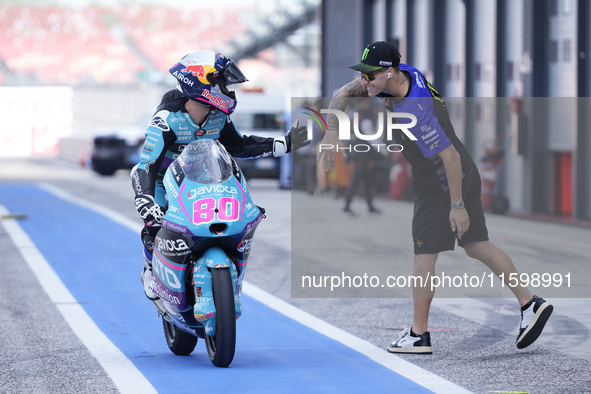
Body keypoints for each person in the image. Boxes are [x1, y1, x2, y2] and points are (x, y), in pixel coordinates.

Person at [320, 41, 553, 354]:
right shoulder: (403, 75)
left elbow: (450, 157)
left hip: (444, 182)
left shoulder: (415, 109)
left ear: (389, 72)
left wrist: (457, 205)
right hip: (459, 174)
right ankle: (530, 304)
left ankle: (419, 335)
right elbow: (342, 94)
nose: (365, 81)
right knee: (476, 246)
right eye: (363, 75)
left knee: (424, 255)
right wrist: (332, 133)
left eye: (370, 75)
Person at [131, 50, 309, 306]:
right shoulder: (167, 119)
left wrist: (284, 144)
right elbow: (144, 166)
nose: (228, 90)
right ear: (202, 84)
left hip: (201, 181)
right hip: (162, 183)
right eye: (223, 84)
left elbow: (238, 146)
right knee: (155, 226)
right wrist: (145, 201)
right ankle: (150, 268)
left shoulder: (218, 116)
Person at [342, 98, 383, 216]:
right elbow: (372, 138)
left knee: (368, 180)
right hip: (361, 155)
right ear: (360, 103)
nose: (368, 104)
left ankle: (370, 207)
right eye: (366, 102)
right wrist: (384, 151)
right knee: (355, 181)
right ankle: (346, 207)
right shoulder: (362, 118)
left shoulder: (355, 116)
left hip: (360, 154)